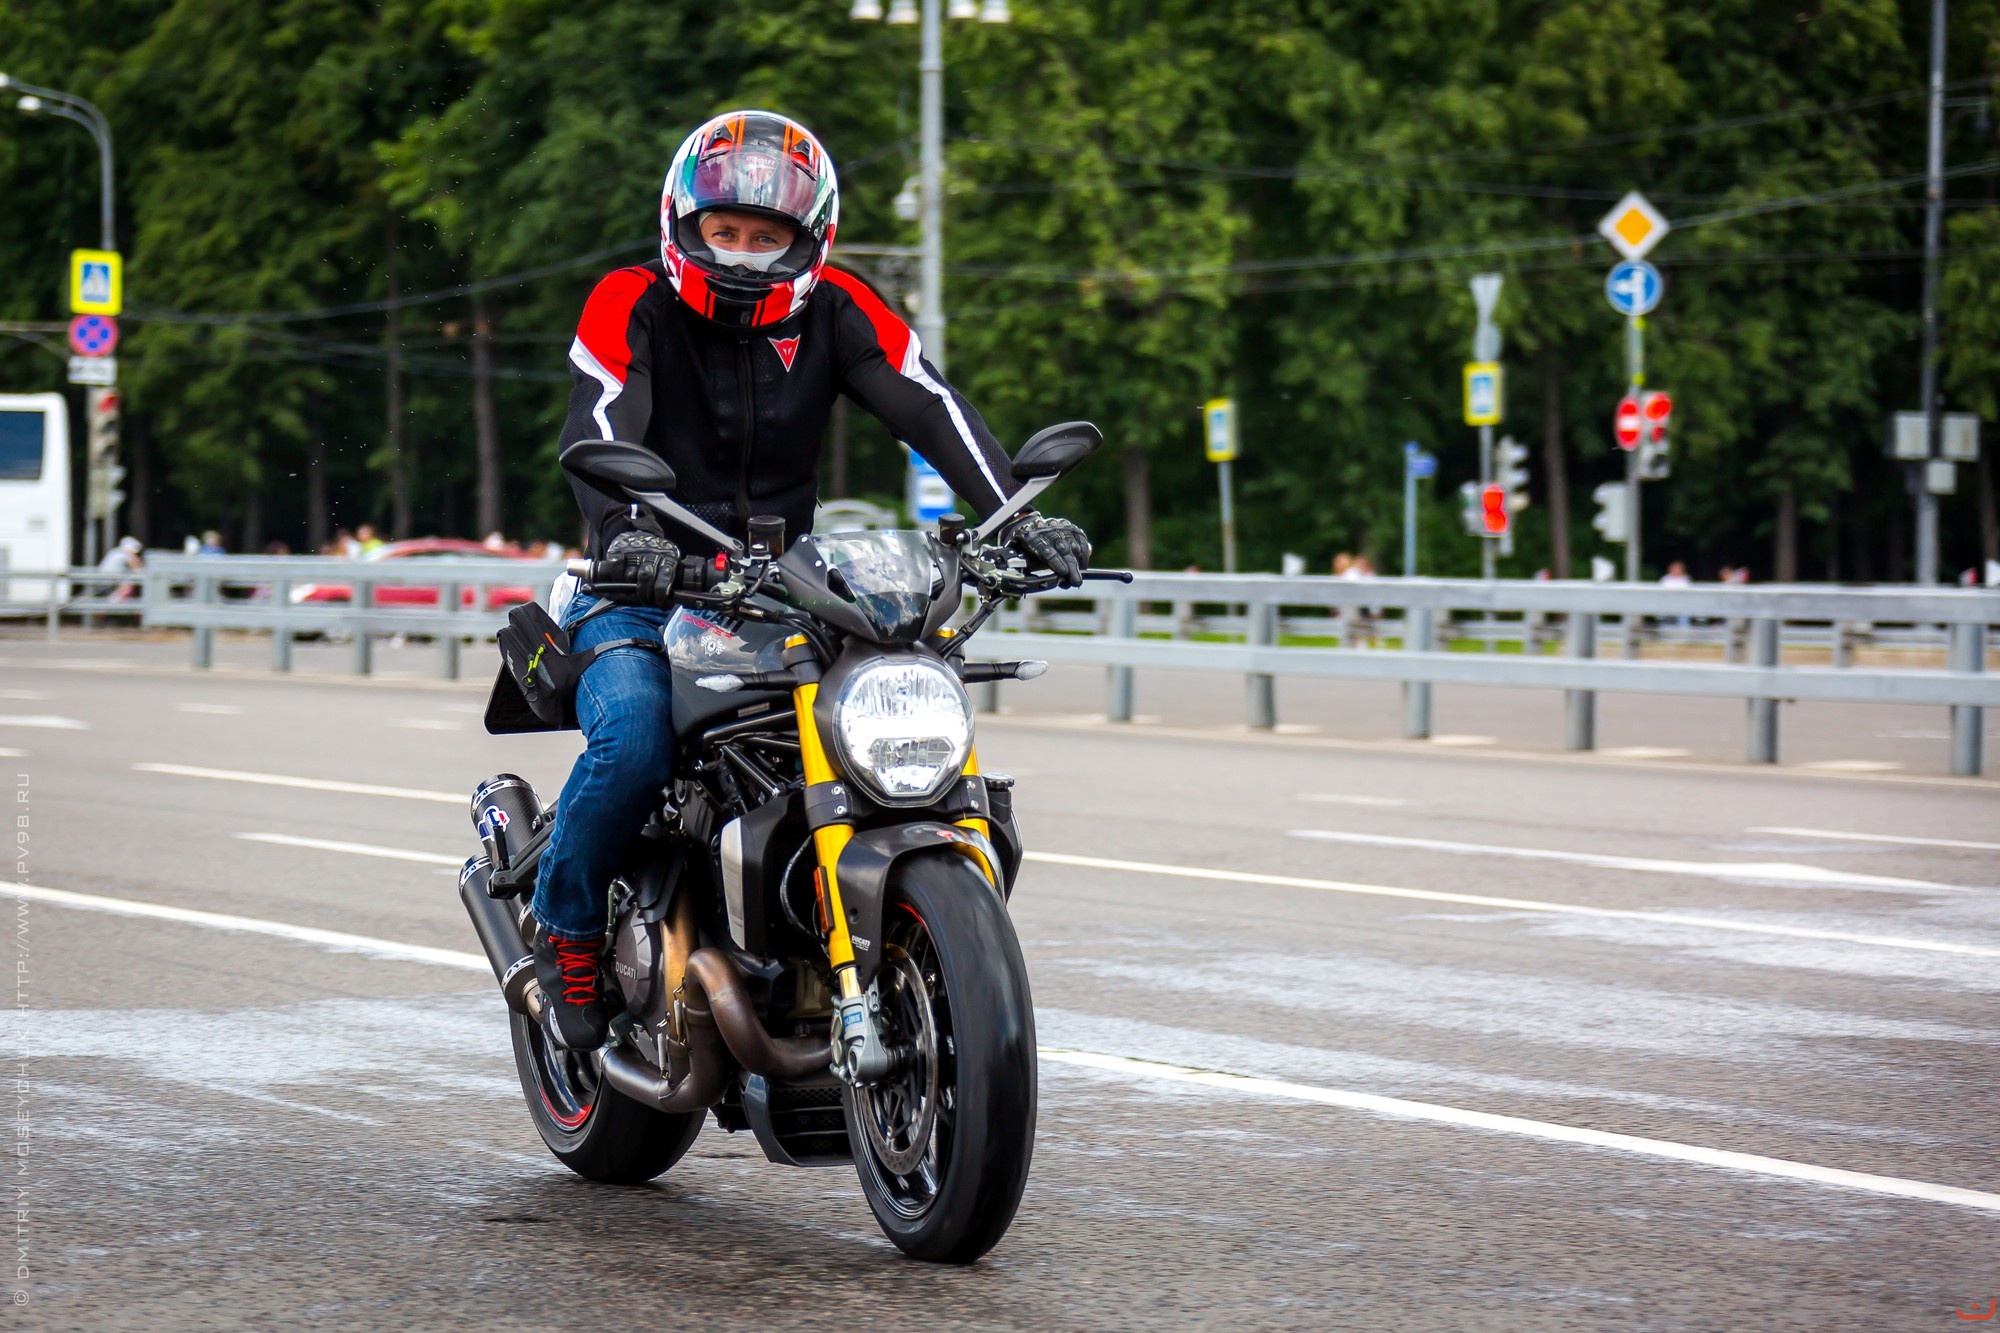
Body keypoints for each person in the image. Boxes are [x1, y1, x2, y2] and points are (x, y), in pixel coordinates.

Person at [528, 109, 1091, 1049]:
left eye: (766, 237)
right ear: (682, 223)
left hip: (782, 593)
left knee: (889, 737)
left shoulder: (838, 305)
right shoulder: (630, 300)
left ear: (809, 239)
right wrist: (628, 534)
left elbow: (930, 405)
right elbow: (601, 419)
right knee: (632, 739)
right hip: (639, 588)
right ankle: (568, 926)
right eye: (723, 231)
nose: (742, 256)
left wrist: (1017, 517)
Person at [96, 535, 143, 601]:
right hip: (109, 580)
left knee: (129, 579)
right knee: (130, 581)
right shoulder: (125, 553)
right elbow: (137, 568)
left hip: (106, 579)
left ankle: (115, 600)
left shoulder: (115, 551)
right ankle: (114, 601)